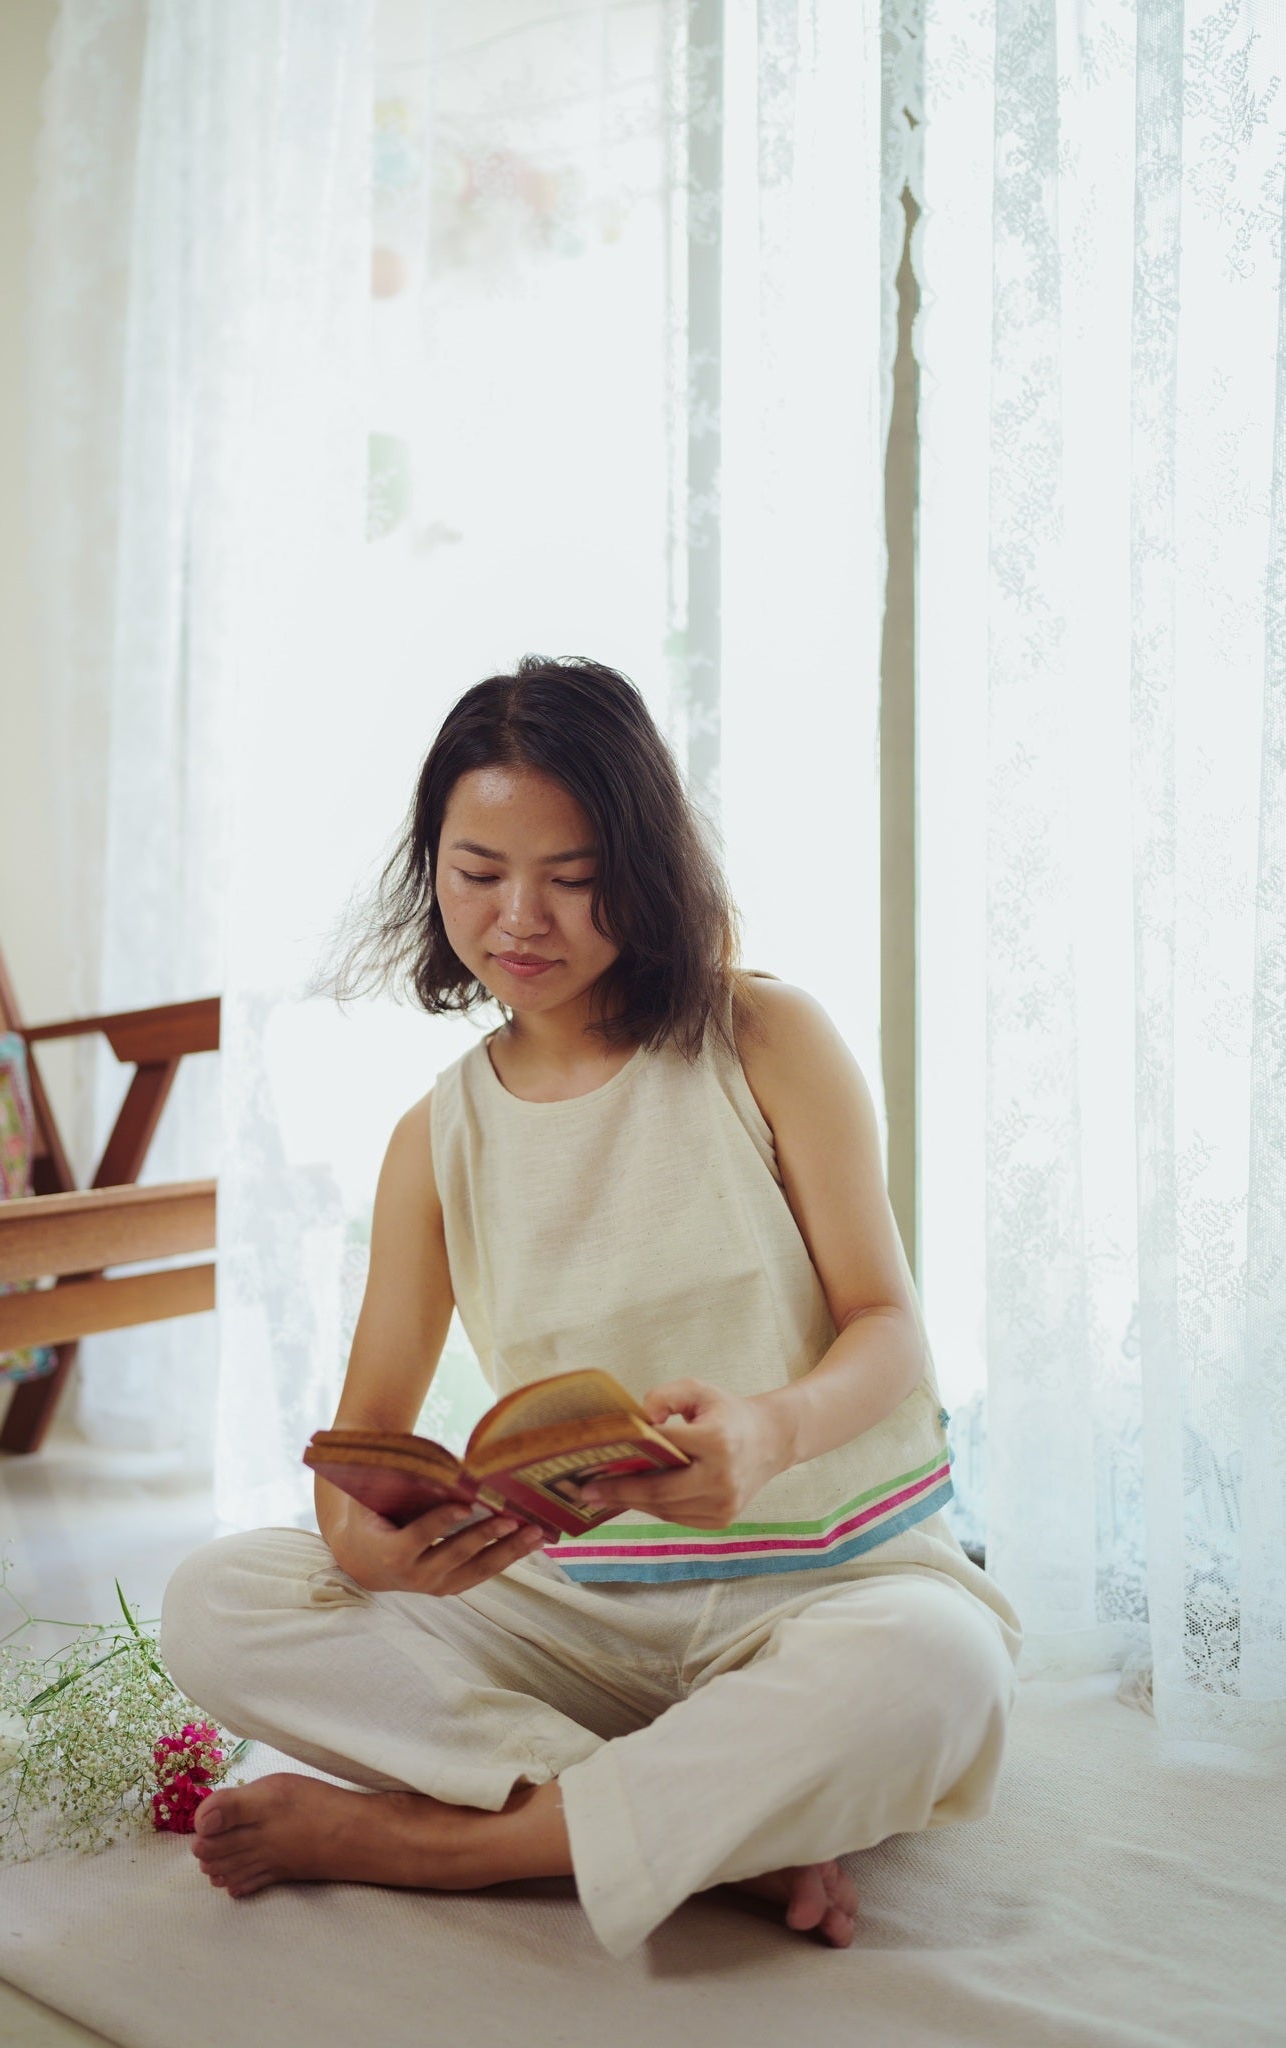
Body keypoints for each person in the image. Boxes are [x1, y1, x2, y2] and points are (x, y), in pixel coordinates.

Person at [159, 655, 1021, 1960]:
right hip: (577, 1610)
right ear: (429, 867)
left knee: (936, 1674)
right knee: (218, 1601)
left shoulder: (765, 1040)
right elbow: (358, 1451)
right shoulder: (432, 1139)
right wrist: (371, 1547)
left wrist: (767, 1435)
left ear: (647, 866)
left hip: (831, 1584)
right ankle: (698, 1824)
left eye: (572, 877)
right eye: (477, 871)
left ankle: (454, 1843)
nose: (521, 920)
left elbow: (886, 1329)